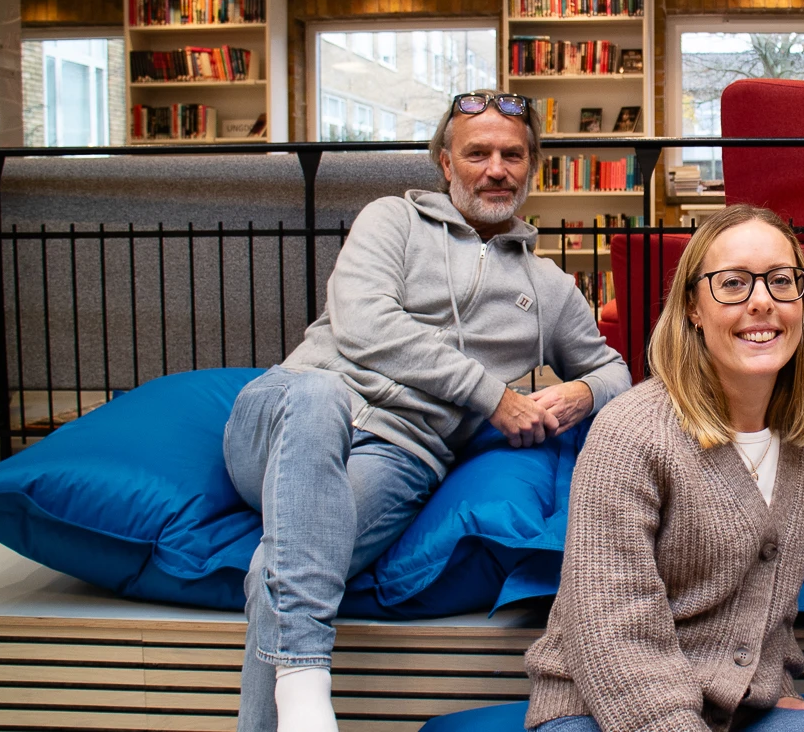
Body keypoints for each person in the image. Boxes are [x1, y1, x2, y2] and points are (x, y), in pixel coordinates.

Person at [223, 90, 632, 732]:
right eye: (477, 153)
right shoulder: (392, 219)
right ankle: (305, 682)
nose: (496, 168)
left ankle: (293, 705)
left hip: (399, 453)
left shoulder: (549, 288)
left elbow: (616, 371)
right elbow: (364, 324)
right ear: (445, 162)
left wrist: (581, 394)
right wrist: (492, 396)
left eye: (513, 155)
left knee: (270, 567)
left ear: (532, 169)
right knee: (320, 393)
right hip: (289, 413)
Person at [523, 205, 804, 732]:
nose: (762, 302)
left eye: (782, 281)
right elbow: (612, 631)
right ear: (692, 306)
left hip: (738, 711)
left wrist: (773, 687)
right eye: (733, 283)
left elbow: (771, 606)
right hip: (605, 711)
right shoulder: (631, 431)